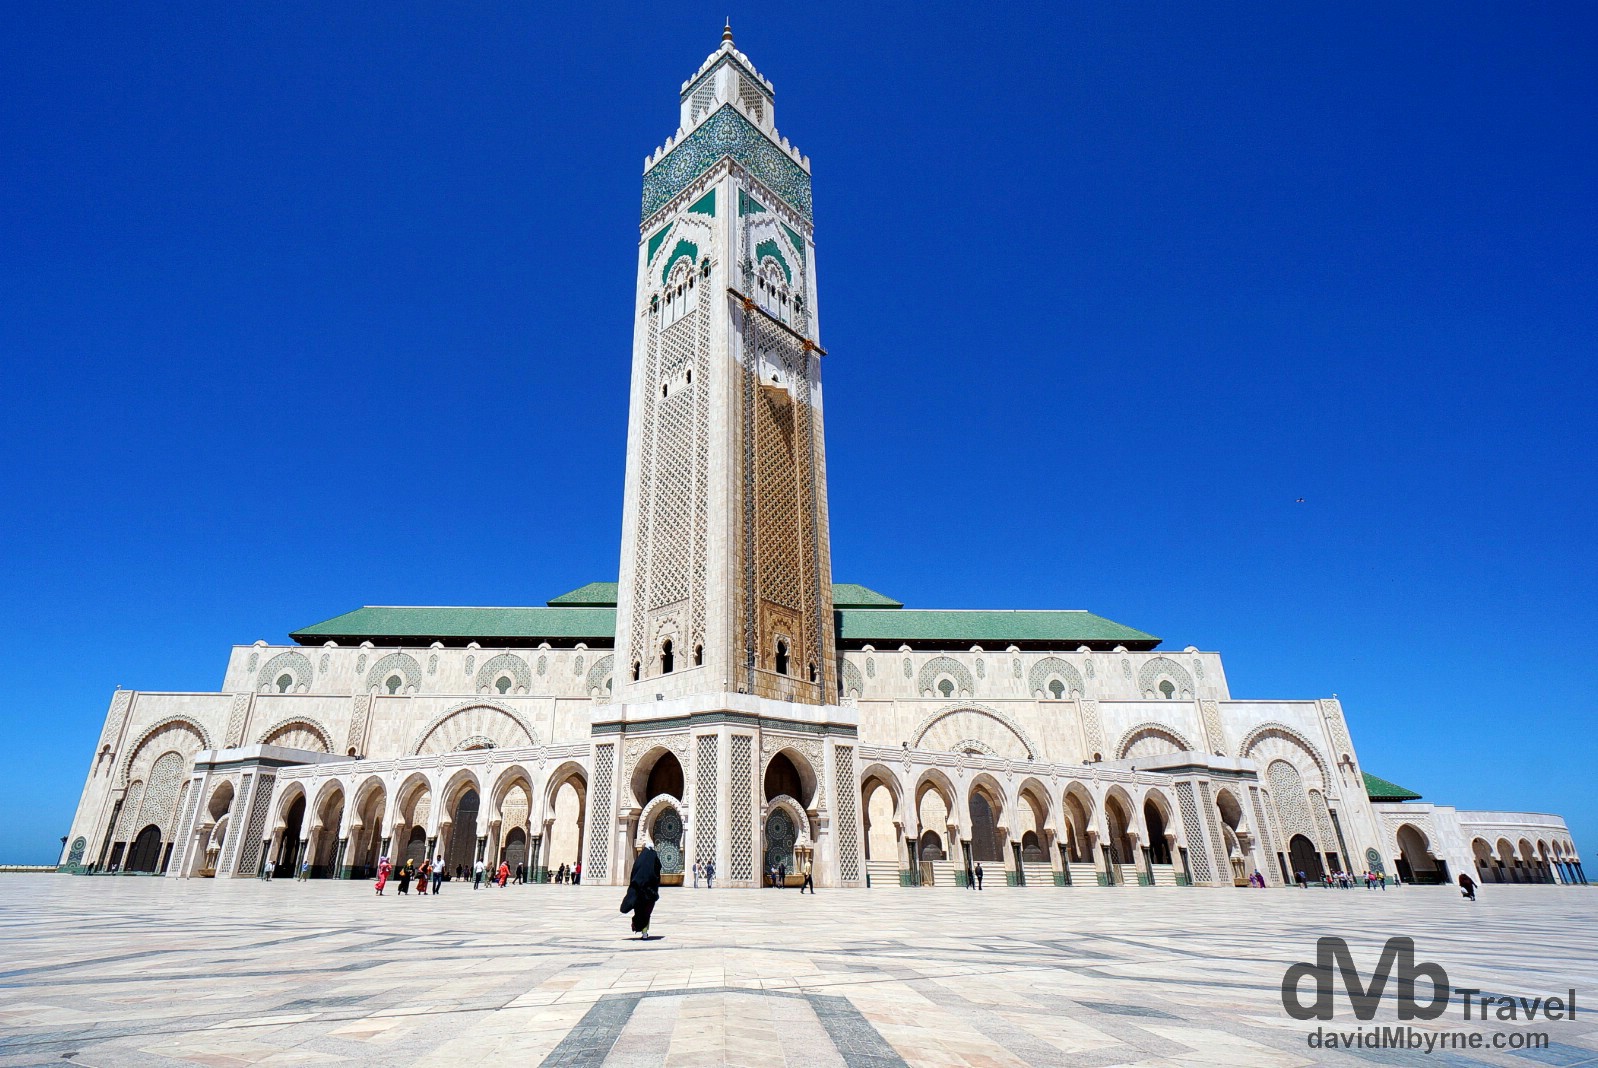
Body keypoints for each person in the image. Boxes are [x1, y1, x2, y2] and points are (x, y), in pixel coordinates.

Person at [621, 837, 663, 940]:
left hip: (639, 891)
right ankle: (645, 932)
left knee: (639, 912)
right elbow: (657, 871)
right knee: (647, 913)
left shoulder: (640, 860)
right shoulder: (653, 858)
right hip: (650, 892)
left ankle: (638, 927)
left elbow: (634, 873)